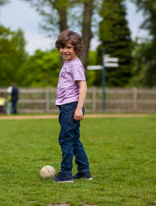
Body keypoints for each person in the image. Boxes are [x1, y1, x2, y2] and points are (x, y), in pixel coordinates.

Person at [53, 30, 92, 183]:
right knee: (74, 139)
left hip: (71, 107)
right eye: (62, 47)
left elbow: (83, 87)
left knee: (66, 140)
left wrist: (78, 108)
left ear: (76, 48)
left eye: (69, 47)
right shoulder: (68, 63)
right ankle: (83, 171)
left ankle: (65, 174)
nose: (65, 50)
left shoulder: (75, 65)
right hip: (68, 107)